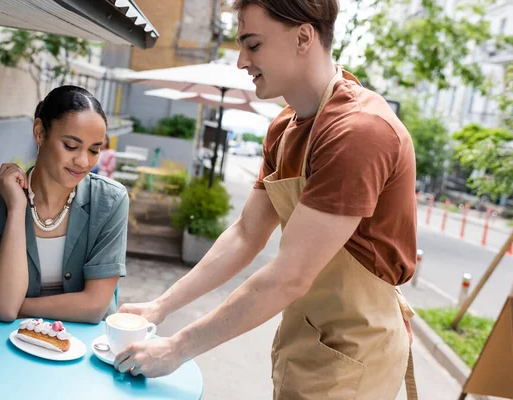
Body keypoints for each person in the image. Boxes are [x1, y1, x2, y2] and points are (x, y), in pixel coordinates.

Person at [113, 1, 418, 399]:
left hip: (356, 348)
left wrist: (178, 348)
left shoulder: (358, 133)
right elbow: (246, 233)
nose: (241, 61)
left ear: (304, 36)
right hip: (306, 332)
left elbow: (290, 276)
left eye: (253, 45)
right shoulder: (285, 127)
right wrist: (161, 306)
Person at [0, 85, 129, 329]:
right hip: (13, 344)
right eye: (71, 146)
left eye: (94, 150)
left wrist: (19, 307)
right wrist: (17, 209)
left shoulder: (110, 201)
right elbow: (5, 307)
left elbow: (95, 306)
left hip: (83, 349)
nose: (84, 161)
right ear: (40, 132)